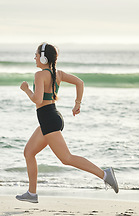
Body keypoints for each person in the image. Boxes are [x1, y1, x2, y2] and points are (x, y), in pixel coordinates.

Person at [17, 43, 119, 203]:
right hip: (50, 118)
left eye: (36, 54)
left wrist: (26, 90)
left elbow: (37, 99)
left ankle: (105, 174)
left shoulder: (40, 75)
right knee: (29, 152)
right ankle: (32, 193)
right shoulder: (58, 74)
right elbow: (80, 83)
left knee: (67, 158)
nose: (34, 57)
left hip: (49, 120)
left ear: (43, 58)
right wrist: (77, 103)